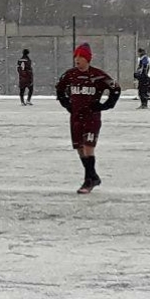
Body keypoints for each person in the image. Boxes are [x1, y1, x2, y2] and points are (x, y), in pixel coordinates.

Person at [55, 43, 121, 194]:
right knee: (79, 148)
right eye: (76, 57)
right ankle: (93, 176)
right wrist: (66, 103)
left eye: (81, 57)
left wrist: (106, 105)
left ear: (87, 59)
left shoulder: (98, 75)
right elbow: (59, 89)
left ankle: (88, 181)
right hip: (76, 117)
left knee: (88, 146)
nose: (77, 60)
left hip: (91, 117)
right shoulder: (70, 75)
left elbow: (115, 88)